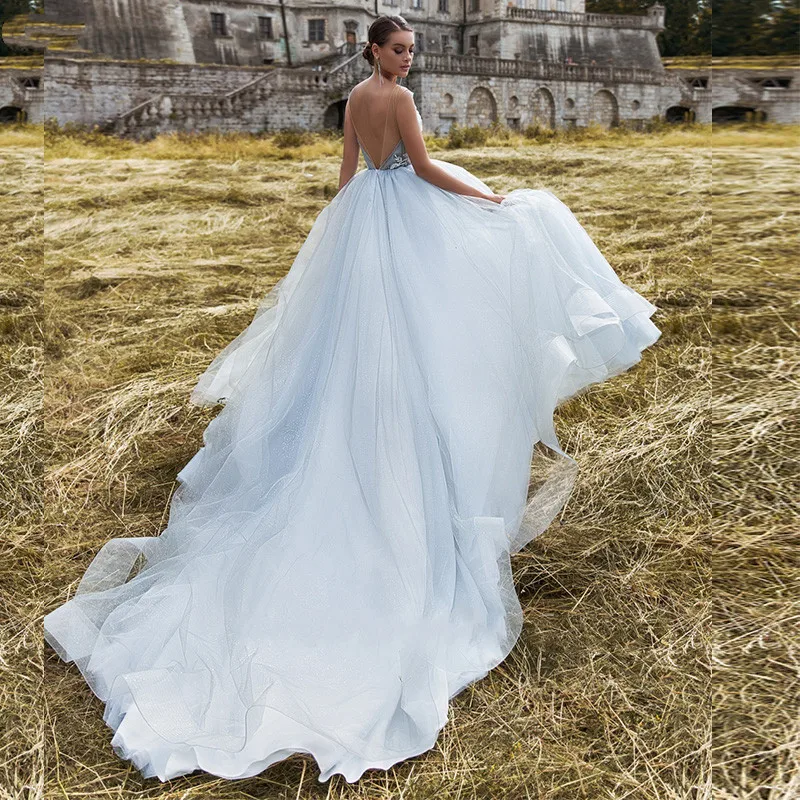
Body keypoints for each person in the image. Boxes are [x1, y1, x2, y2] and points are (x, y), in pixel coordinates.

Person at [43, 14, 661, 785]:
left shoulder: (354, 101)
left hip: (366, 220)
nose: (406, 59)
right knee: (423, 332)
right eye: (397, 50)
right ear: (374, 50)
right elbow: (427, 169)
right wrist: (485, 195)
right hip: (402, 216)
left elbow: (348, 175)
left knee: (359, 351)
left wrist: (335, 238)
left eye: (410, 50)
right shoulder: (396, 101)